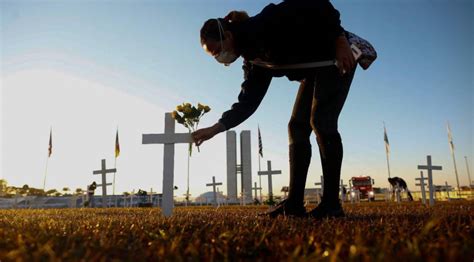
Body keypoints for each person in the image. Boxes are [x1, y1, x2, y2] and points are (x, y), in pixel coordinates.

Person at [193, 0, 357, 219]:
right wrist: (215, 128)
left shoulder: (268, 20)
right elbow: (248, 102)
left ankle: (331, 205)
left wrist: (339, 40)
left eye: (217, 51)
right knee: (297, 127)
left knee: (321, 121)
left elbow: (319, 5)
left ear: (229, 37)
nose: (219, 58)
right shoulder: (253, 61)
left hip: (337, 57)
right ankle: (294, 204)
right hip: (313, 71)